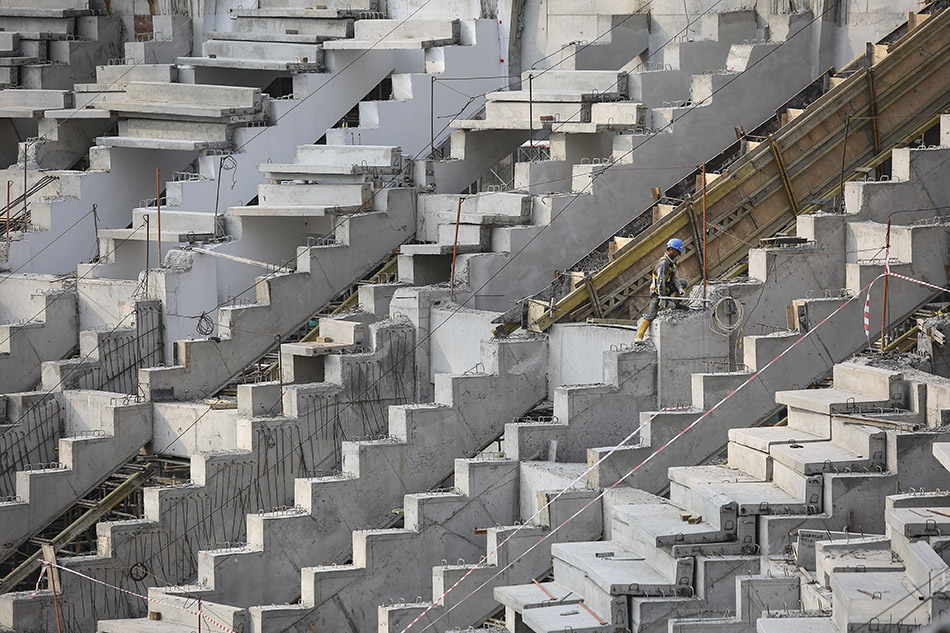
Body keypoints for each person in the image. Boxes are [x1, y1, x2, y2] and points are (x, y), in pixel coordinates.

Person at [635, 238, 687, 341]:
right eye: (677, 251)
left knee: (683, 282)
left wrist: (680, 289)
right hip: (657, 292)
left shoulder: (672, 262)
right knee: (651, 314)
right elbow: (660, 282)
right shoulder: (664, 263)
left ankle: (676, 304)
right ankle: (638, 337)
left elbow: (675, 277)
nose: (678, 254)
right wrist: (663, 299)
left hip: (666, 288)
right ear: (671, 249)